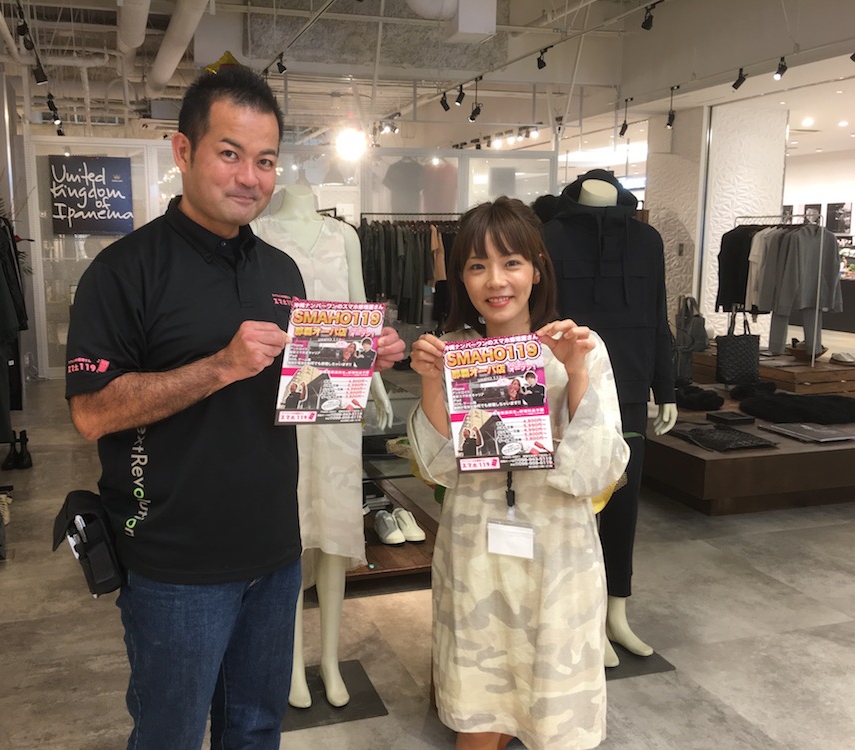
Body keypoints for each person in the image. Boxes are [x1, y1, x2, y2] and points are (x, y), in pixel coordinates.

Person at [65, 67, 404, 749]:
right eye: (230, 153)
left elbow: (297, 393)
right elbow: (92, 413)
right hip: (175, 564)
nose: (250, 177)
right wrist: (219, 366)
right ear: (183, 151)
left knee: (256, 729)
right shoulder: (124, 271)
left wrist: (354, 360)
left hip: (274, 551)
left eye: (266, 160)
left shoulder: (281, 271)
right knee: (170, 735)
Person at [408, 196, 629, 750]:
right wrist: (432, 383)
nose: (495, 281)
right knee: (478, 709)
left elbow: (596, 469)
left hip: (557, 554)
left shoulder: (579, 347)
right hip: (476, 551)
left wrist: (576, 373)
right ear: (461, 277)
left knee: (553, 709)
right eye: (477, 265)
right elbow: (439, 468)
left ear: (537, 268)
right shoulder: (454, 353)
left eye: (511, 262)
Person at [252, 183, 395, 710]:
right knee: (290, 529)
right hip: (279, 397)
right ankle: (291, 662)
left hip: (338, 391)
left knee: (333, 526)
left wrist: (376, 380)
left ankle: (330, 660)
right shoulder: (258, 231)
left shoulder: (343, 235)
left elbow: (360, 308)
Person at [540, 169, 677, 667]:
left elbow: (658, 316)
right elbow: (541, 315)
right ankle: (585, 615)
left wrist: (666, 388)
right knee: (576, 508)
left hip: (632, 390)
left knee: (623, 507)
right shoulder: (550, 235)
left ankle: (617, 613)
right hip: (569, 389)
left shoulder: (647, 240)